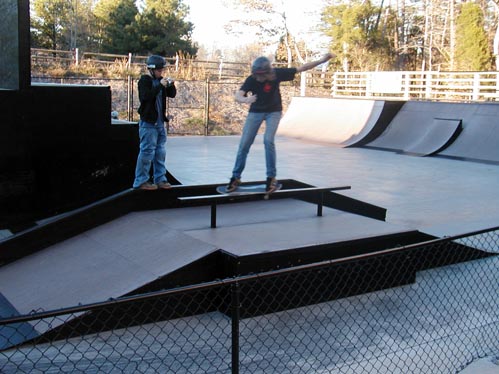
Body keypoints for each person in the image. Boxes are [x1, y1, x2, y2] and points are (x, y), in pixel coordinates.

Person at [226, 52, 335, 193]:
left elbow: (302, 68)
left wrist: (322, 60)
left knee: (268, 141)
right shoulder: (252, 79)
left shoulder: (278, 73)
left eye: (261, 76)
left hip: (274, 112)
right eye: (256, 75)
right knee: (244, 144)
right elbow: (238, 95)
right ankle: (236, 177)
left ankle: (271, 178)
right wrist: (246, 100)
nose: (258, 78)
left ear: (267, 73)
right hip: (256, 112)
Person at [133, 55, 177, 190]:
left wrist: (171, 84)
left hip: (159, 123)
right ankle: (141, 181)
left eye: (162, 70)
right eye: (158, 70)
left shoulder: (160, 81)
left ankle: (160, 179)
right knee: (147, 152)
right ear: (151, 69)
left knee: (160, 152)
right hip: (148, 124)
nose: (161, 73)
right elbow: (146, 97)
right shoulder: (144, 81)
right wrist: (159, 86)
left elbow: (172, 94)